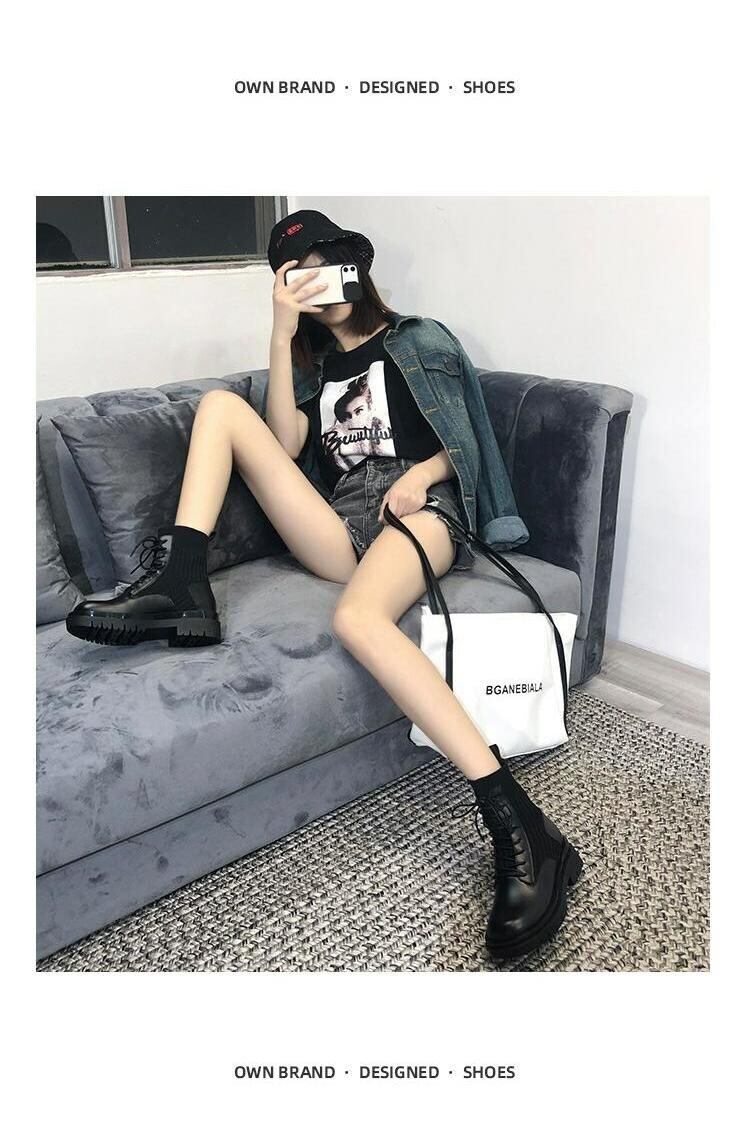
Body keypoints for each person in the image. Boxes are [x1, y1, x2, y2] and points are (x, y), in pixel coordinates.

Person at [65, 209, 582, 958]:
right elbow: (279, 448)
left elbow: (468, 441)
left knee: (359, 621)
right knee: (220, 408)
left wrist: (421, 475)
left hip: (422, 512)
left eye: (321, 265)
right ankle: (182, 583)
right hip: (340, 522)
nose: (314, 283)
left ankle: (522, 826)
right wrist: (281, 336)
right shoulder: (315, 372)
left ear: (352, 266)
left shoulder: (420, 340)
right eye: (294, 277)